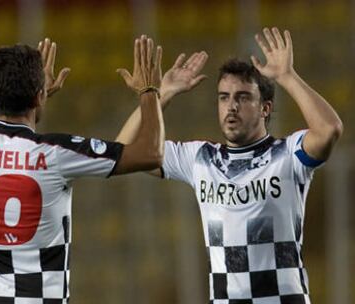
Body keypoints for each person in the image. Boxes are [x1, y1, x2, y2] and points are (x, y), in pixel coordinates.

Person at [116, 27, 343, 303]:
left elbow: (329, 129)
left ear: (265, 108)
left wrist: (287, 77)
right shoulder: (200, 159)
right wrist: (160, 94)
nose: (231, 106)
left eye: (243, 97)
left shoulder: (287, 155)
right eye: (224, 97)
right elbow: (122, 152)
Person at [0, 35, 165, 304]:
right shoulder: (55, 152)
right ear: (39, 96)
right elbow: (151, 153)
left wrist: (35, 96)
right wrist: (149, 90)